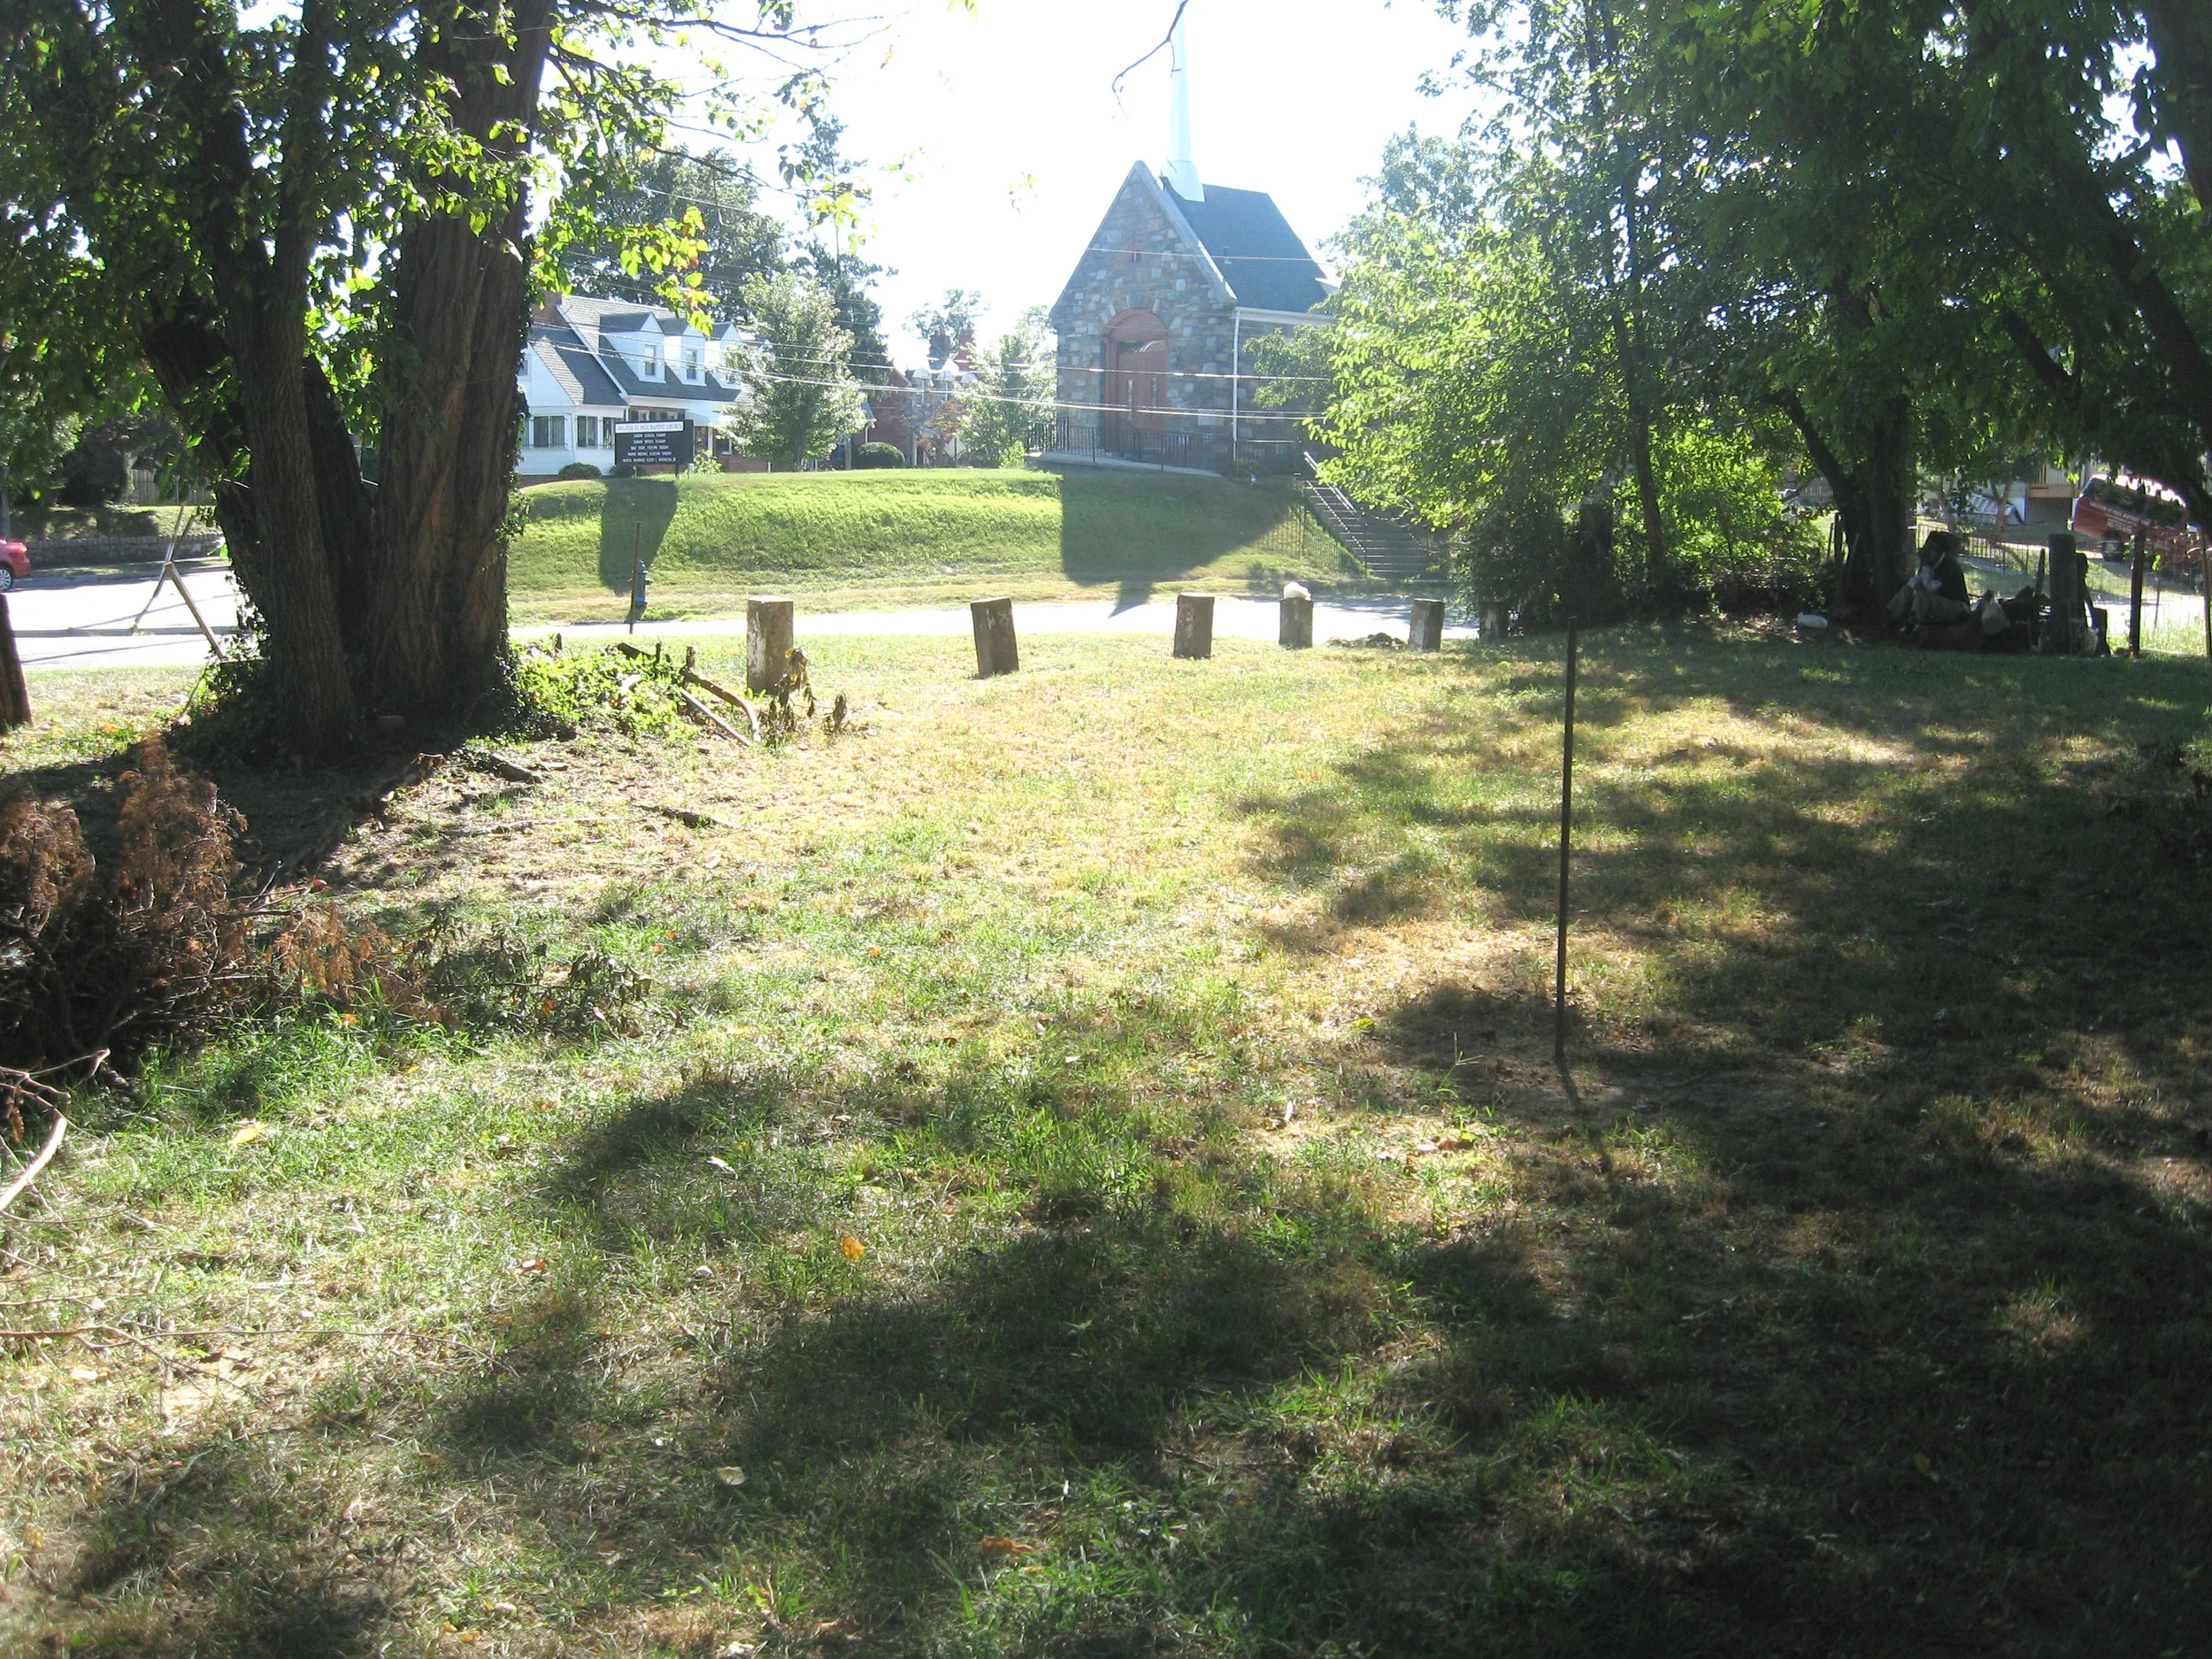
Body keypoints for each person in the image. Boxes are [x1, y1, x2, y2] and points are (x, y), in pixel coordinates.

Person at [1887, 531, 1972, 627]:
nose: (1926, 551)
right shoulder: (1929, 560)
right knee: (1907, 589)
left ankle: (1912, 626)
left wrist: (1925, 567)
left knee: (1922, 596)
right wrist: (1916, 585)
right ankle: (1892, 619)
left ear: (1938, 551)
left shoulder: (1949, 565)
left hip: (1957, 606)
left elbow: (1932, 588)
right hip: (1938, 599)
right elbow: (1916, 579)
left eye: (1930, 548)